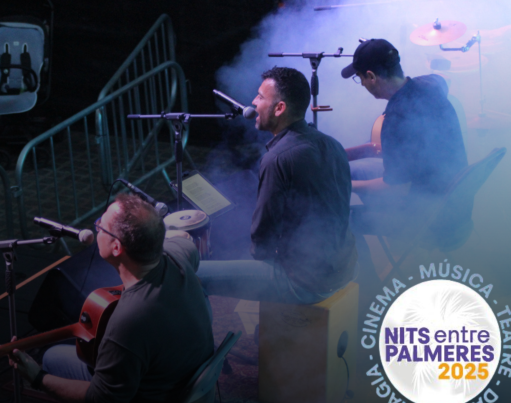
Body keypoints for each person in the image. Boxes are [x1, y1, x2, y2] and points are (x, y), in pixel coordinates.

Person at [8, 194, 214, 403]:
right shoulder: (176, 258)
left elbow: (101, 400)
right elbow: (187, 245)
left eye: (101, 225)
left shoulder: (130, 319)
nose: (96, 228)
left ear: (116, 247)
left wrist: (36, 378)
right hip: (184, 394)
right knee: (53, 358)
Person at [197, 66, 357, 304]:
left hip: (305, 283)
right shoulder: (332, 144)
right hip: (344, 266)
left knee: (193, 274)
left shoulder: (277, 158)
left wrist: (257, 254)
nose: (253, 102)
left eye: (260, 97)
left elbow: (262, 240)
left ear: (279, 108)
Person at [341, 39, 470, 246]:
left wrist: (348, 186)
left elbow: (395, 188)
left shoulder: (396, 118)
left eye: (360, 77)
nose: (362, 84)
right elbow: (442, 79)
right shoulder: (431, 84)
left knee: (340, 220)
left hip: (429, 218)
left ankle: (362, 270)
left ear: (371, 77)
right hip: (457, 203)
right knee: (357, 169)